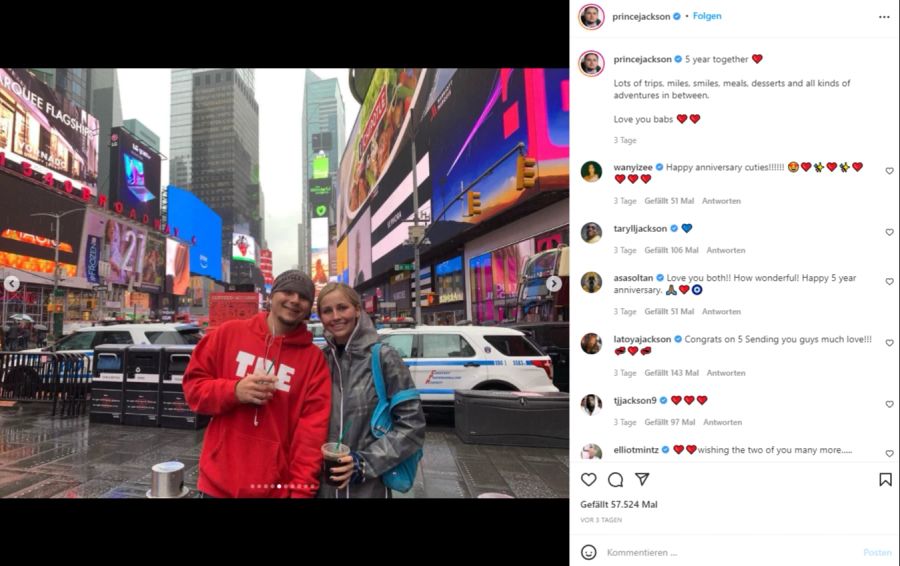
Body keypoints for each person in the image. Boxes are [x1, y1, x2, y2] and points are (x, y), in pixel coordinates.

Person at [182, 270, 332, 498]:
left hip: (273, 491)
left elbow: (310, 438)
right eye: (288, 292)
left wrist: (301, 492)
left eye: (303, 297)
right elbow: (193, 391)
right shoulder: (227, 334)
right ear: (272, 296)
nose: (294, 300)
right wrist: (234, 391)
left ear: (309, 307)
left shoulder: (313, 361)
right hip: (216, 485)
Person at [316, 282, 426, 498]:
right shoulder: (320, 360)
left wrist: (365, 463)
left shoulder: (384, 357)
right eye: (327, 311)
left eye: (342, 307)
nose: (336, 316)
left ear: (357, 309)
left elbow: (412, 426)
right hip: (324, 488)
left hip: (369, 488)